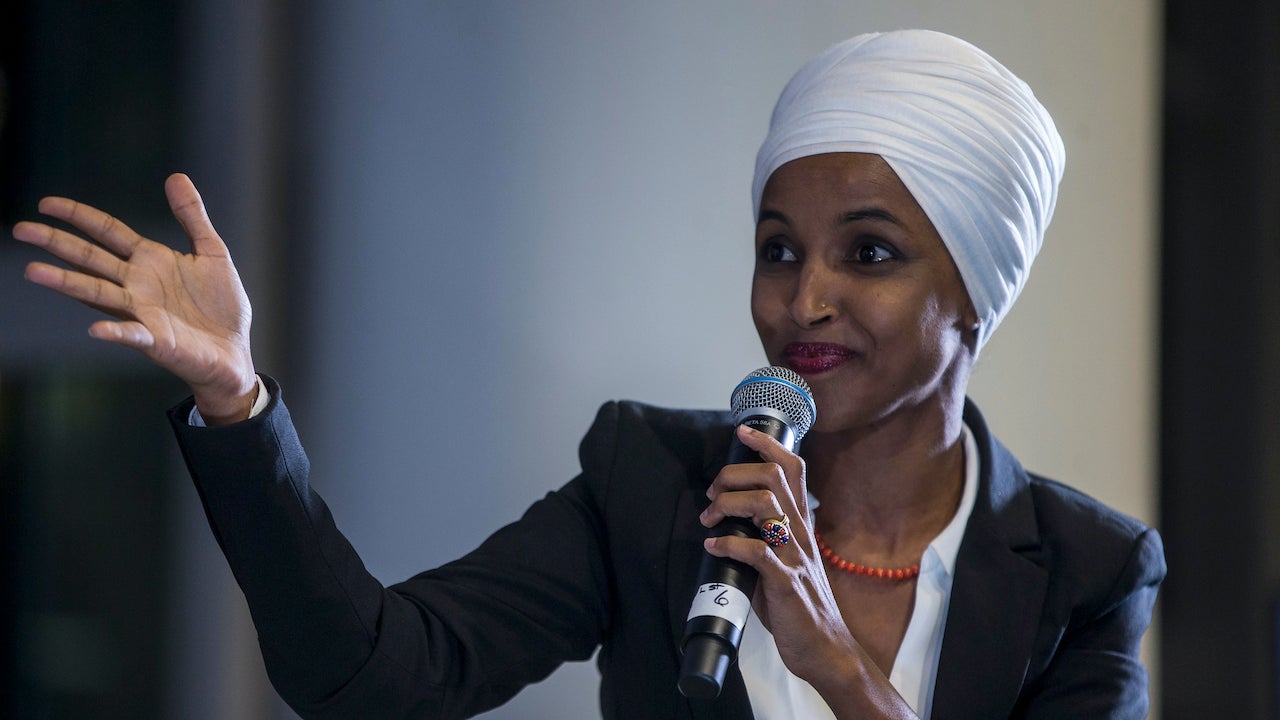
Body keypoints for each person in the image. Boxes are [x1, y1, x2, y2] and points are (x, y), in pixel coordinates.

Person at [13, 29, 1164, 720]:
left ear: (972, 291)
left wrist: (839, 669)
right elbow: (369, 678)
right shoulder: (654, 482)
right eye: (776, 249)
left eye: (866, 253)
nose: (802, 299)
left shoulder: (1083, 571)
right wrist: (237, 401)